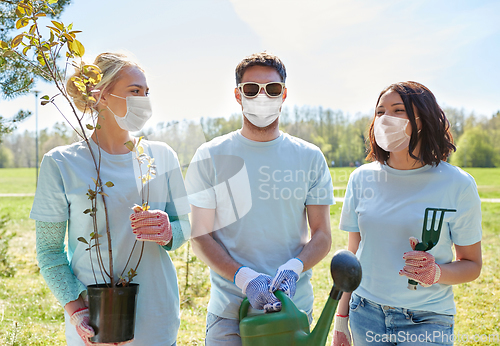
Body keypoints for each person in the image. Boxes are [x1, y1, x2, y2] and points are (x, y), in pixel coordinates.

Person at [30, 52, 191, 346]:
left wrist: (170, 231)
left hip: (156, 316)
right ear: (101, 95)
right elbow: (49, 251)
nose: (144, 100)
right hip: (93, 320)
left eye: (146, 92)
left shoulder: (163, 156)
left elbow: (186, 226)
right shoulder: (61, 163)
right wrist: (76, 309)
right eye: (134, 91)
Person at [185, 52, 334, 346]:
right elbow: (200, 236)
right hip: (229, 314)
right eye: (252, 89)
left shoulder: (309, 157)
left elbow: (322, 236)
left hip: (293, 312)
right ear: (238, 96)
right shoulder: (211, 155)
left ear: (284, 94)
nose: (262, 96)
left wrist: (295, 268)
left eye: (272, 89)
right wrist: (243, 277)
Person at [331, 81, 482, 346]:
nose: (386, 118)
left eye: (398, 110)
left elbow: (472, 265)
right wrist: (342, 317)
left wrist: (436, 273)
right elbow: (353, 257)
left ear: (422, 119)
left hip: (427, 319)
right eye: (380, 112)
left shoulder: (457, 183)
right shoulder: (360, 179)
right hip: (365, 313)